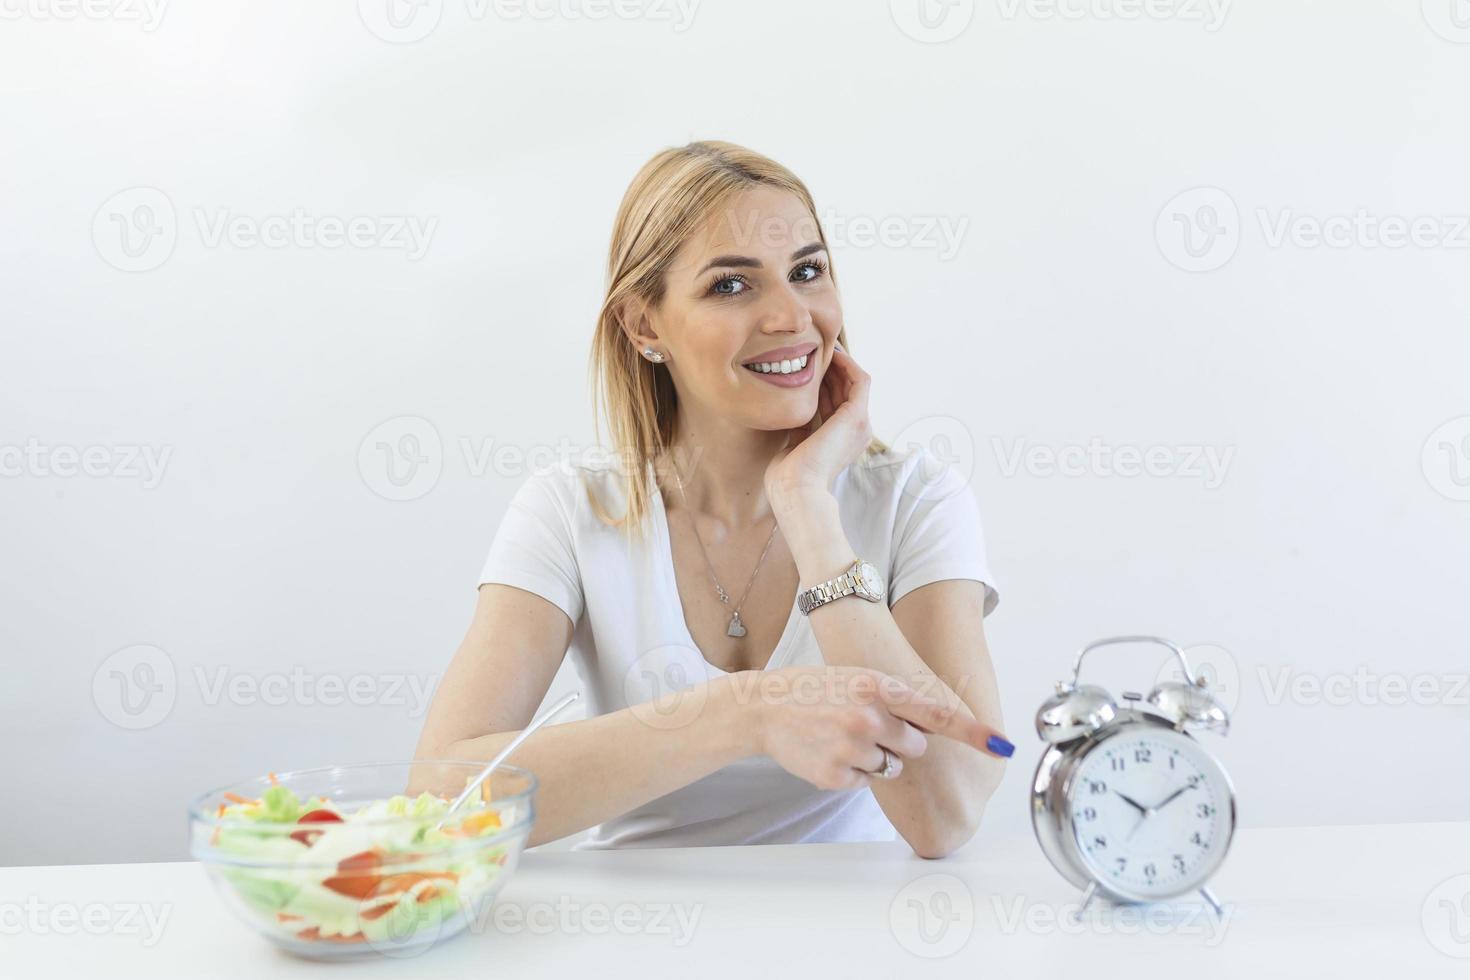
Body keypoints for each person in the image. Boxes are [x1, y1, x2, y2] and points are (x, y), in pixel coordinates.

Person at [414, 140, 1013, 859]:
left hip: (853, 936)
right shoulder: (571, 510)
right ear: (644, 326)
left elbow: (945, 815)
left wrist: (809, 507)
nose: (792, 317)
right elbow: (441, 801)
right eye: (732, 286)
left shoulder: (918, 501)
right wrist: (749, 711)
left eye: (808, 271)